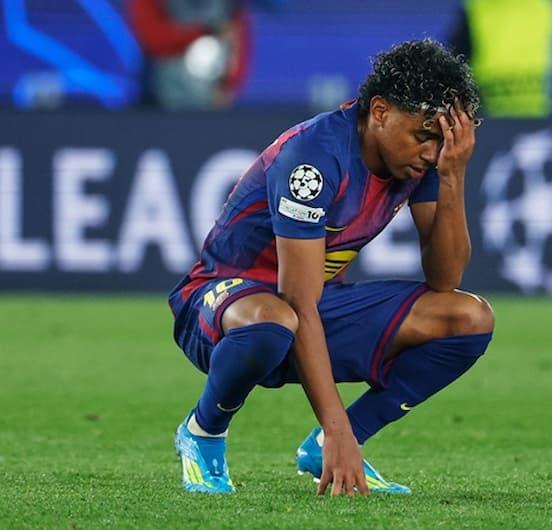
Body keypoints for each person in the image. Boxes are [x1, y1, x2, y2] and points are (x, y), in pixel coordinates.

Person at [168, 39, 495, 496]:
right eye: (424, 136)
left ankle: (328, 446)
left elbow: (445, 278)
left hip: (305, 308)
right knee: (273, 319)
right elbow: (297, 299)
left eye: (442, 142)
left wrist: (452, 175)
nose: (431, 152)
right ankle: (203, 432)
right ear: (379, 111)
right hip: (219, 306)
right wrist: (336, 423)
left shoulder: (421, 166)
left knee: (468, 318)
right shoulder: (314, 159)